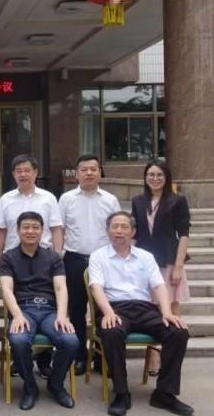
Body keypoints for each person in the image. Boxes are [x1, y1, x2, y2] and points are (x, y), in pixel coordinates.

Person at [88, 211, 193, 416]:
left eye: (124, 227)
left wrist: (167, 312)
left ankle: (164, 394)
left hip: (144, 308)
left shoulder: (145, 256)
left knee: (177, 331)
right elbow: (96, 287)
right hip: (115, 308)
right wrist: (108, 312)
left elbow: (159, 285)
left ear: (133, 231)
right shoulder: (98, 256)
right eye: (114, 226)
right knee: (112, 331)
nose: (119, 231)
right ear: (108, 230)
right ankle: (121, 393)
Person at [0, 211, 78, 411]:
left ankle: (56, 384)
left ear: (42, 231)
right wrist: (17, 315)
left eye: (35, 227)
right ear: (18, 231)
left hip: (50, 310)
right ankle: (30, 387)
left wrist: (62, 316)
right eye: (26, 227)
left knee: (70, 341)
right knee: (18, 340)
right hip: (23, 309)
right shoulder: (8, 258)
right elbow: (6, 289)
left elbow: (60, 287)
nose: (30, 231)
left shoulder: (53, 257)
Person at [0, 154, 63, 378]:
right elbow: (1, 231)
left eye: (27, 170)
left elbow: (56, 228)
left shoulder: (48, 198)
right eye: (19, 171)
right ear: (13, 174)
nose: (23, 174)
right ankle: (19, 359)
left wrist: (57, 255)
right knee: (16, 307)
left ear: (35, 173)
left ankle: (44, 362)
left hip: (44, 259)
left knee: (48, 305)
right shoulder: (6, 199)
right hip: (13, 261)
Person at [58, 154, 120, 375]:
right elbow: (60, 229)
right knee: (76, 309)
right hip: (74, 259)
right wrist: (58, 257)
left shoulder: (110, 200)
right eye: (84, 169)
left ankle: (102, 357)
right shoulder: (66, 199)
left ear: (100, 172)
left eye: (93, 169)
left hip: (103, 261)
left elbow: (117, 229)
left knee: (102, 309)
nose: (89, 173)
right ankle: (79, 356)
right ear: (77, 174)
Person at [131, 160, 190, 376]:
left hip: (169, 261)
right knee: (151, 310)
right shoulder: (138, 201)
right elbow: (135, 234)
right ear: (145, 177)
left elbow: (183, 234)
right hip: (145, 262)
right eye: (151, 174)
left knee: (171, 310)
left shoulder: (177, 200)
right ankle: (154, 359)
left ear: (166, 178)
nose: (155, 178)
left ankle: (170, 358)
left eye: (159, 175)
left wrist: (178, 266)